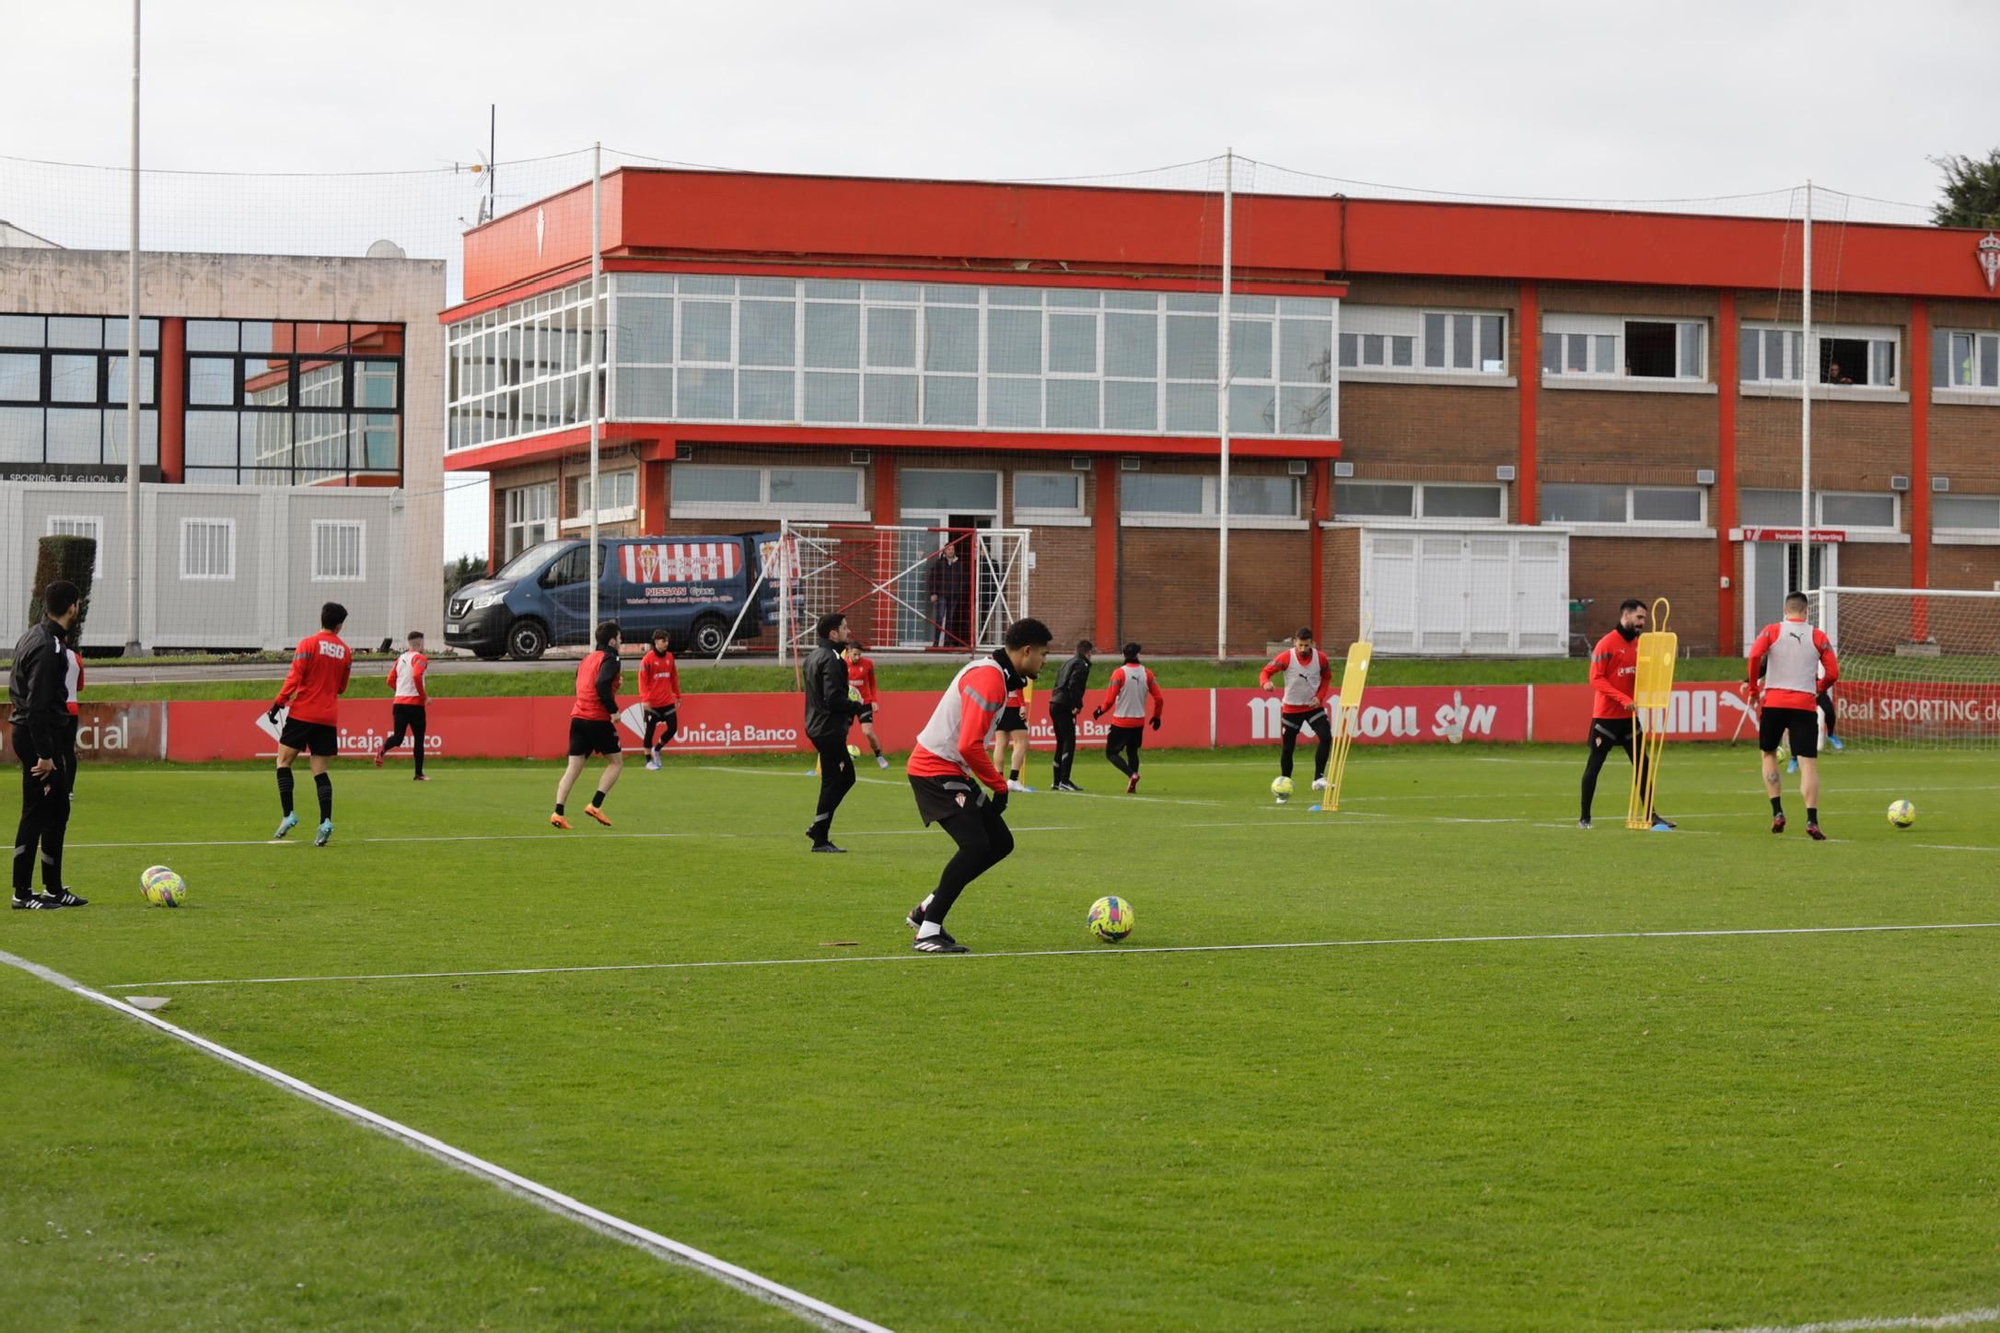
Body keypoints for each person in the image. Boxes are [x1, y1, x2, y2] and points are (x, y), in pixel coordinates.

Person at [903, 617, 1053, 953]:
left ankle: (927, 909)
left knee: (1000, 842)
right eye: (1043, 654)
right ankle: (928, 932)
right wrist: (999, 786)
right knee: (974, 845)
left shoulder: (999, 676)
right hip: (934, 769)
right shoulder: (989, 679)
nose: (1045, 661)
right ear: (1026, 651)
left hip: (951, 769)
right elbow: (970, 743)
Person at [10, 580, 88, 909]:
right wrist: (44, 754)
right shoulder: (48, 646)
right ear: (72, 607)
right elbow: (38, 702)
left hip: (39, 734)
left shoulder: (38, 636)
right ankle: (22, 894)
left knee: (57, 809)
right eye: (77, 604)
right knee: (37, 811)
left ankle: (53, 889)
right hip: (35, 735)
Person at [1749, 591, 1840, 840]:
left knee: (1768, 754)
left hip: (1774, 702)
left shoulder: (1771, 630)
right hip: (1804, 704)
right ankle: (1811, 819)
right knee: (1807, 763)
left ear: (1785, 610)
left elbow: (1755, 655)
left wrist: (1754, 687)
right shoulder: (1818, 636)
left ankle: (1778, 812)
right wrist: (1819, 687)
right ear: (1807, 611)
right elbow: (1833, 671)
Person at [1578, 599, 1673, 831]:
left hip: (1629, 719)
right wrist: (1623, 698)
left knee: (1643, 764)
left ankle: (1651, 815)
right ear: (1626, 615)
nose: (1642, 623)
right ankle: (1585, 818)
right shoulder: (1606, 644)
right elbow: (1596, 678)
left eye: (1644, 619)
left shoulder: (1640, 645)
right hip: (1606, 719)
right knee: (1595, 766)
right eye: (1639, 618)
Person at [269, 601, 353, 846]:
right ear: (339, 625)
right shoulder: (346, 652)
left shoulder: (307, 644)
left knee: (283, 761)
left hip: (303, 713)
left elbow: (295, 676)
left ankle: (288, 815)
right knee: (320, 771)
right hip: (328, 717)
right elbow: (342, 687)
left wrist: (279, 702)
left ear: (322, 619)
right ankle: (325, 821)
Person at [552, 620, 624, 829]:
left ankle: (558, 812)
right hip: (597, 718)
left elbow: (583, 683)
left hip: (578, 717)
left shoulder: (586, 659)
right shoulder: (611, 658)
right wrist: (613, 711)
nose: (621, 641)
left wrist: (613, 687)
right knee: (616, 762)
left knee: (573, 767)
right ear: (612, 640)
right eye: (619, 638)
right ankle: (595, 805)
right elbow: (601, 684)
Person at [803, 612, 864, 852]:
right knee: (841, 778)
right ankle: (819, 835)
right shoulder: (832, 658)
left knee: (838, 778)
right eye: (845, 628)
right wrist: (856, 706)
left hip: (817, 726)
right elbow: (833, 698)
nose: (848, 632)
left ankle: (819, 830)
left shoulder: (814, 657)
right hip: (828, 729)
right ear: (833, 633)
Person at [1259, 627, 1335, 802]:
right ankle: (1283, 786)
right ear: (1295, 642)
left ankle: (1318, 779)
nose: (1303, 649)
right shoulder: (1286, 657)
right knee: (1288, 748)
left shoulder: (1321, 658)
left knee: (1326, 736)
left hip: (1312, 707)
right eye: (1300, 645)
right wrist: (1266, 683)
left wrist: (1320, 697)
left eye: (1306, 645)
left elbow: (1327, 678)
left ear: (1312, 644)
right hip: (1291, 709)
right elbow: (1265, 672)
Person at [1093, 642, 1163, 794]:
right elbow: (1159, 699)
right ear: (1138, 655)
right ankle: (1133, 784)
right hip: (1138, 722)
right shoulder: (1147, 674)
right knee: (1132, 752)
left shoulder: (1119, 673)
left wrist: (1100, 711)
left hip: (1121, 721)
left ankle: (1132, 774)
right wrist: (1157, 717)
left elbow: (1110, 700)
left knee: (1111, 753)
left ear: (1124, 655)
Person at [375, 630, 430, 780]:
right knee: (419, 739)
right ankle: (418, 774)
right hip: (415, 704)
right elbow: (416, 675)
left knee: (398, 737)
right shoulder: (420, 658)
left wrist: (400, 690)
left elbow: (389, 680)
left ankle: (384, 747)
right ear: (419, 643)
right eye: (423, 642)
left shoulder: (400, 658)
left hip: (399, 702)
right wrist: (423, 696)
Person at [1047, 639, 1093, 792]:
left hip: (1054, 702)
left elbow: (1058, 682)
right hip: (1064, 704)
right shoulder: (1082, 665)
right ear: (1088, 652)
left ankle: (1056, 781)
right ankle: (1064, 780)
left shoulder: (1067, 662)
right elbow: (1074, 685)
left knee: (1061, 742)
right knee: (1069, 741)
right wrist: (1077, 705)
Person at [844, 638, 890, 770]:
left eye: (859, 654)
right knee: (843, 733)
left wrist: (874, 701)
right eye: (855, 654)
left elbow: (873, 683)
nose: (857, 657)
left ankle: (879, 756)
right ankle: (841, 760)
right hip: (847, 704)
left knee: (868, 732)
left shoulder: (868, 664)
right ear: (848, 653)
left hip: (864, 702)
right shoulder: (842, 665)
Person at [639, 628, 681, 771]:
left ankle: (656, 750)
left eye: (667, 641)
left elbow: (674, 678)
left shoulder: (670, 658)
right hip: (652, 704)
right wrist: (645, 699)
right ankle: (648, 761)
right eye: (664, 641)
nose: (666, 643)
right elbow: (642, 681)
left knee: (673, 728)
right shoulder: (647, 659)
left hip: (667, 701)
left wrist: (677, 695)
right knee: (649, 732)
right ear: (656, 641)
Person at [926, 539, 969, 648]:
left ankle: (947, 642)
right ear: (944, 551)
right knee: (940, 618)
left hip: (954, 595)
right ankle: (936, 642)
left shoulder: (959, 564)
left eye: (952, 549)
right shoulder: (939, 563)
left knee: (950, 619)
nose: (951, 551)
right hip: (942, 594)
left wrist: (960, 592)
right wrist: (933, 593)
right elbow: (934, 578)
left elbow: (963, 579)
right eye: (948, 549)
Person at [997, 677, 1033, 793]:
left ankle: (999, 780)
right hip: (1013, 704)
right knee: (1021, 742)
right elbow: (1017, 684)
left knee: (1001, 743)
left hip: (999, 705)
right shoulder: (1014, 665)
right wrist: (1022, 704)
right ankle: (1013, 779)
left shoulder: (998, 665)